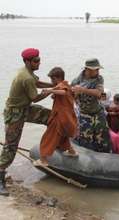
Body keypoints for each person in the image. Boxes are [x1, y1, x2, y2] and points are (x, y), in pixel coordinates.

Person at [0, 48, 52, 196]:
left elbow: (38, 83)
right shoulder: (26, 78)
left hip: (24, 109)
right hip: (15, 115)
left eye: (39, 59)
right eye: (36, 61)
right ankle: (0, 177)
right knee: (10, 147)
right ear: (27, 62)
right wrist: (51, 91)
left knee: (49, 116)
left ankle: (53, 147)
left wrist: (54, 84)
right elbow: (35, 97)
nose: (39, 62)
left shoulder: (28, 73)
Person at [38, 67, 78, 166]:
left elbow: (63, 92)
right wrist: (53, 92)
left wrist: (50, 91)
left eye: (52, 79)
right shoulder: (67, 85)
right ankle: (72, 151)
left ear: (57, 78)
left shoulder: (62, 85)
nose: (52, 82)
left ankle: (43, 160)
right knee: (63, 137)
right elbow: (64, 95)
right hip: (66, 118)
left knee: (48, 138)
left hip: (59, 118)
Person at [71, 58, 111, 152]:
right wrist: (75, 94)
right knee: (86, 141)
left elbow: (98, 93)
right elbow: (72, 97)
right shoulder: (76, 81)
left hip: (98, 113)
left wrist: (82, 90)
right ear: (87, 69)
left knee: (103, 139)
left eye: (98, 69)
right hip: (84, 115)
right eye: (96, 69)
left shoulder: (99, 79)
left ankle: (106, 157)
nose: (98, 71)